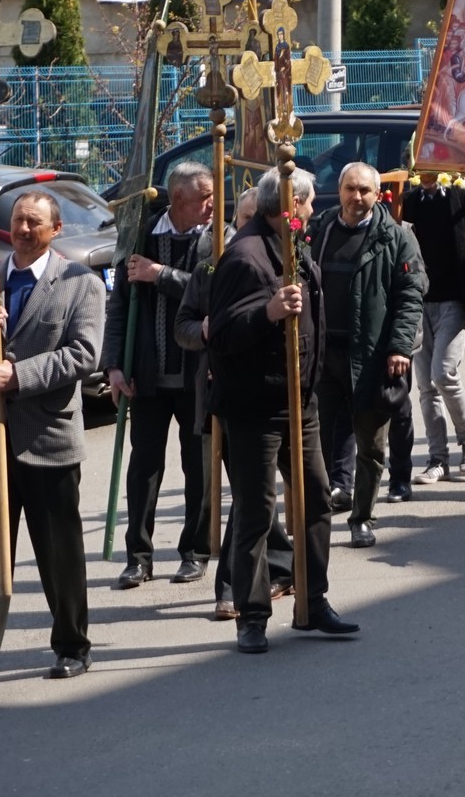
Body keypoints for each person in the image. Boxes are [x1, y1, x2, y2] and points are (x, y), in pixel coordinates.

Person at [0, 189, 105, 702]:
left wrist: (19, 375)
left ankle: (72, 644)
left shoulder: (80, 284)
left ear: (55, 230)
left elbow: (84, 354)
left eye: (35, 222)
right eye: (18, 221)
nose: (24, 230)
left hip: (48, 441)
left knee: (60, 555)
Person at [209, 168, 360, 653]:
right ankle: (252, 615)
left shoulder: (294, 243)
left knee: (316, 499)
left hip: (301, 402)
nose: (314, 211)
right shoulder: (245, 256)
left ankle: (313, 601)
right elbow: (224, 335)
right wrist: (268, 313)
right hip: (255, 407)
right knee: (256, 512)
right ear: (290, 204)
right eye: (310, 202)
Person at [176, 187, 287, 623]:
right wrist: (205, 332)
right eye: (242, 220)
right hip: (220, 396)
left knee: (251, 498)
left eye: (254, 218)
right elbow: (184, 325)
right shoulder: (213, 264)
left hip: (268, 396)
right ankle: (266, 570)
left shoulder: (280, 262)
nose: (248, 228)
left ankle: (232, 587)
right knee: (237, 495)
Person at [104, 161, 215, 589]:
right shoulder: (141, 234)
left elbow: (213, 293)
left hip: (196, 377)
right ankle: (139, 556)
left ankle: (195, 551)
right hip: (147, 377)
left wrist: (161, 275)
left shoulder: (215, 239)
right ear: (180, 199)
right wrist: (114, 365)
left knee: (199, 469)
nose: (211, 205)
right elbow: (120, 305)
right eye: (204, 198)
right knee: (144, 469)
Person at [307, 162, 427, 550]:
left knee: (371, 444)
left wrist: (399, 347)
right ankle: (320, 513)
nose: (356, 198)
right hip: (324, 355)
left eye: (365, 191)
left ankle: (362, 518)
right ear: (338, 190)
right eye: (350, 189)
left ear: (379, 196)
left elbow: (410, 296)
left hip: (372, 358)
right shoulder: (319, 230)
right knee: (321, 440)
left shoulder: (396, 238)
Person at [400, 172, 465, 485]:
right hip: (417, 302)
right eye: (420, 171)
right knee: (425, 385)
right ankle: (437, 458)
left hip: (454, 301)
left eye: (433, 169)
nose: (427, 178)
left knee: (443, 372)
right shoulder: (408, 201)